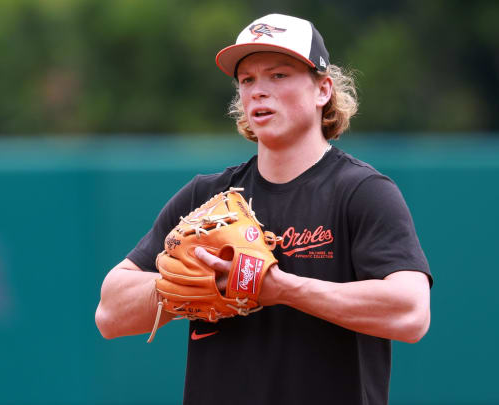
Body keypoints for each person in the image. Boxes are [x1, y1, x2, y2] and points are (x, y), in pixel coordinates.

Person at [95, 13, 432, 405]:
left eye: (279, 75)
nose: (258, 91)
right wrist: (190, 284)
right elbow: (109, 312)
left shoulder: (361, 192)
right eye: (248, 80)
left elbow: (411, 313)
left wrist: (279, 289)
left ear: (323, 90)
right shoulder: (206, 197)